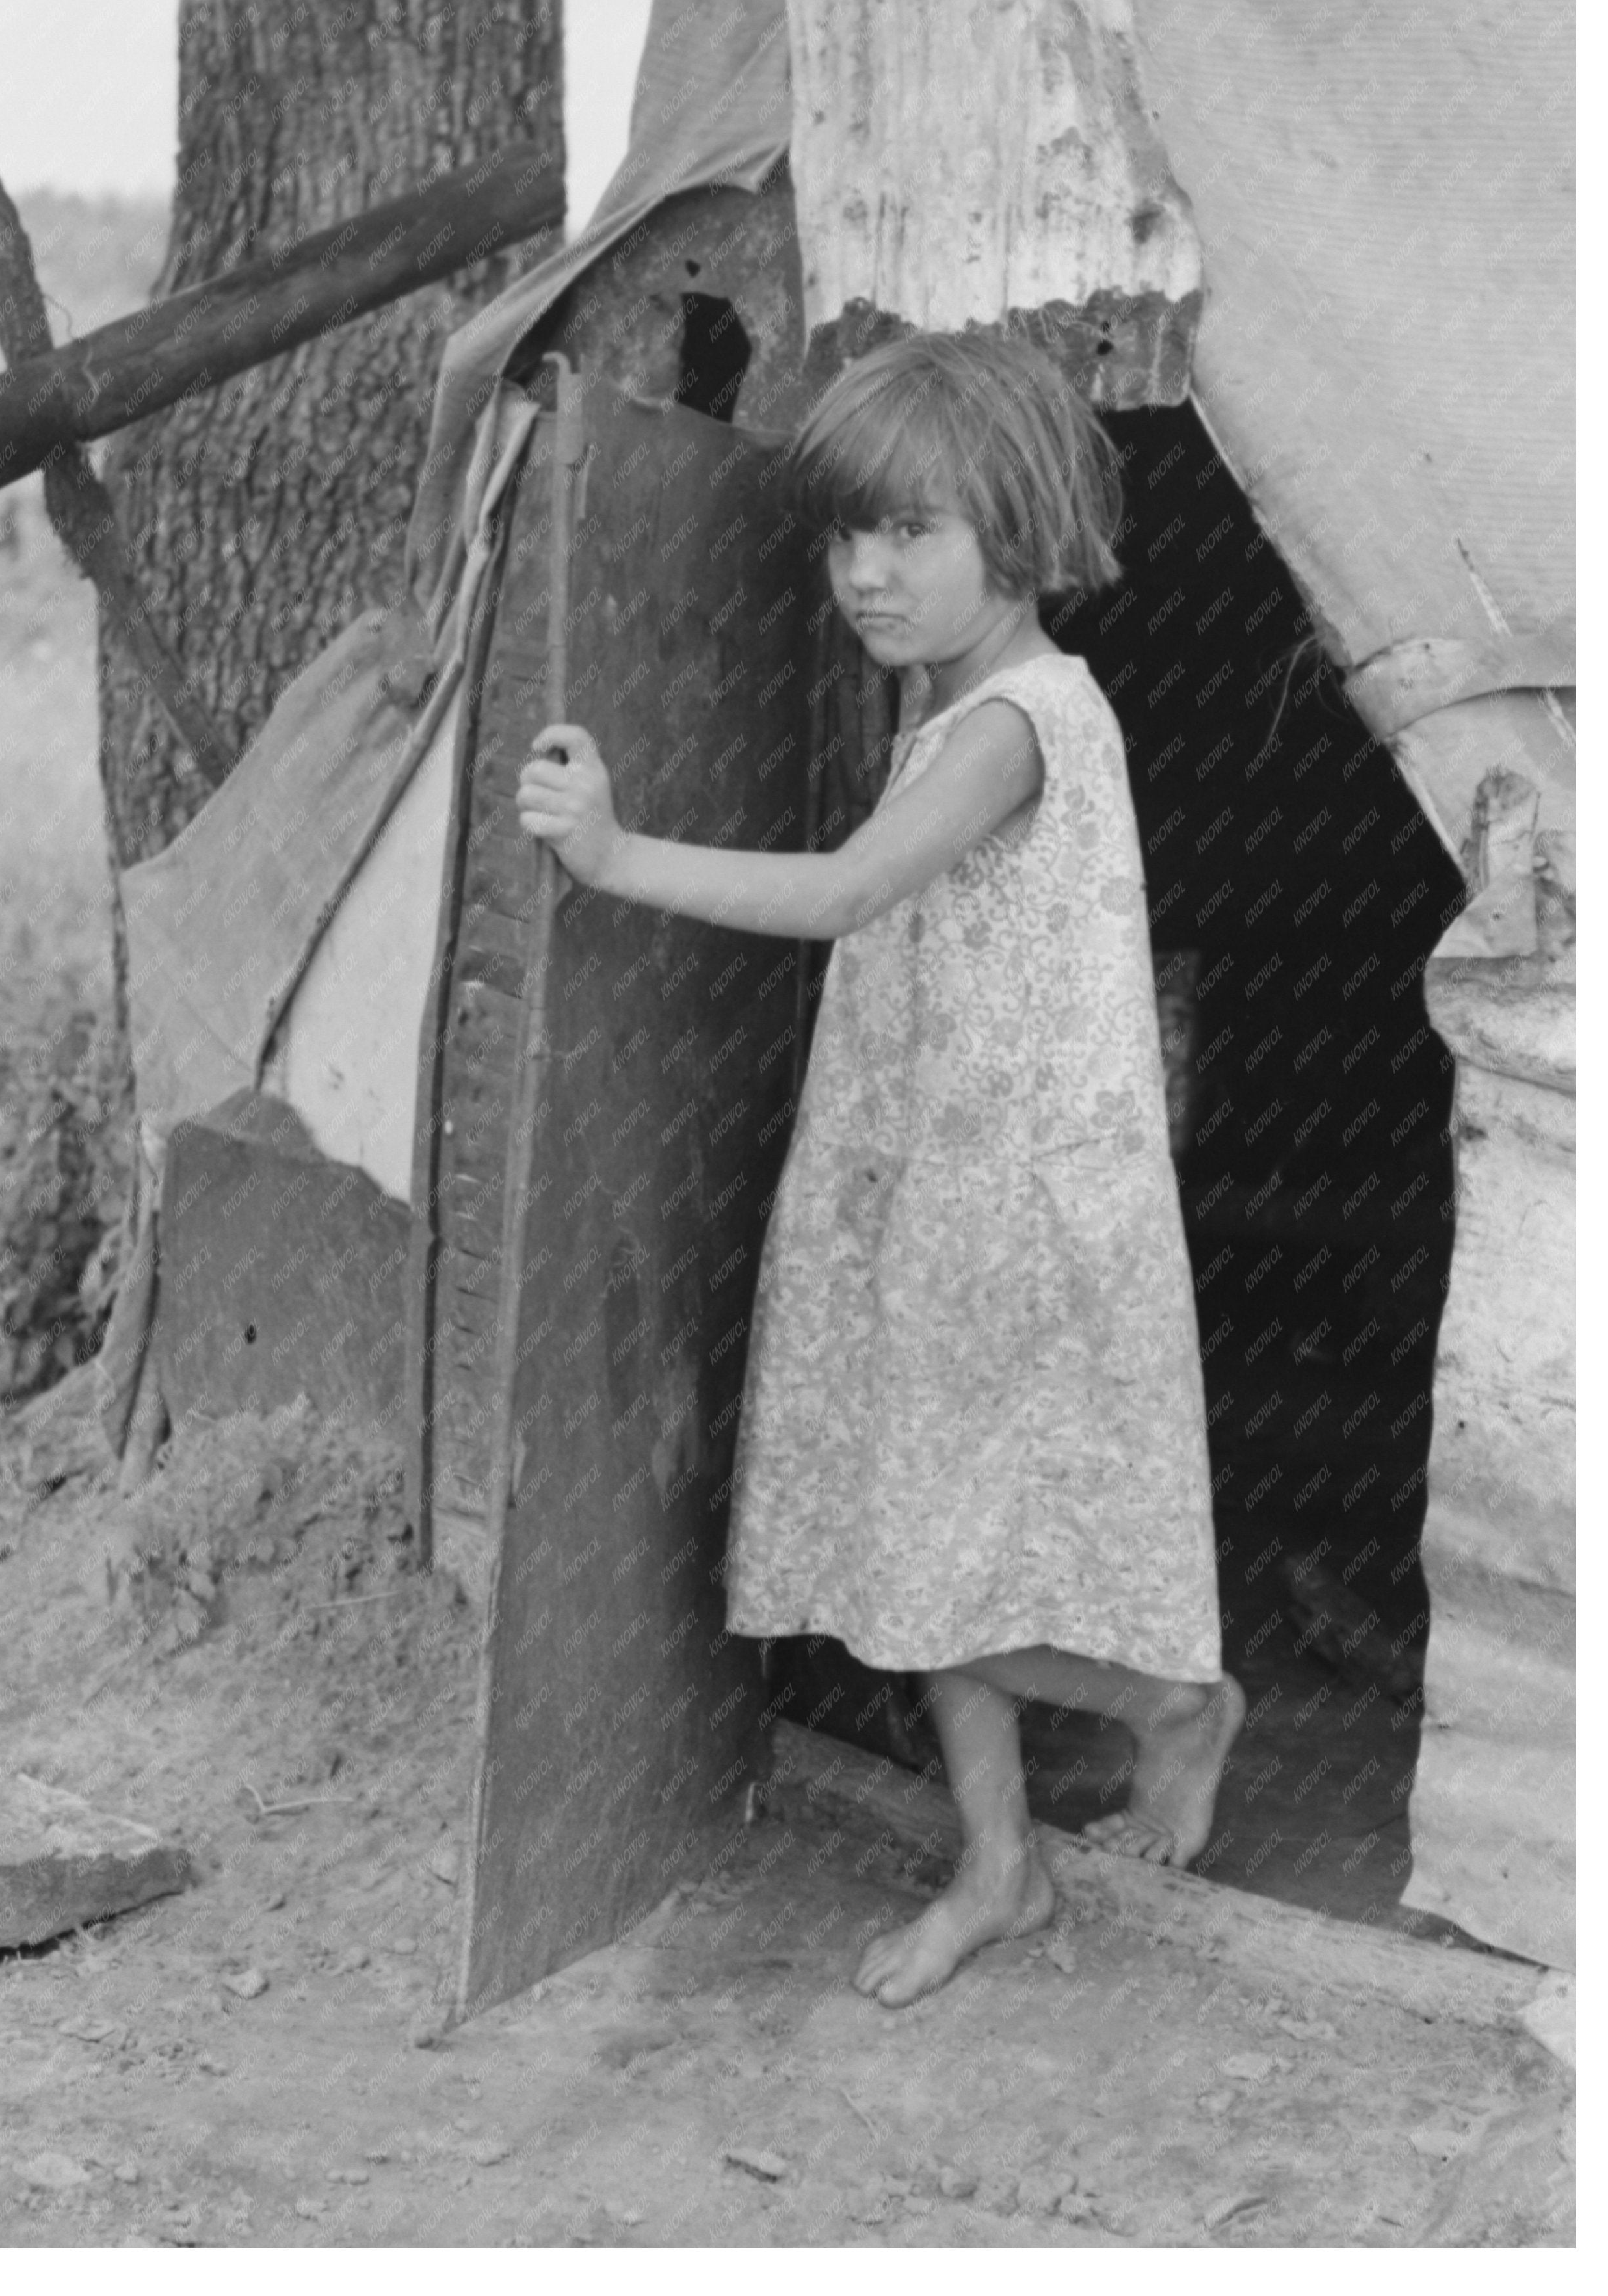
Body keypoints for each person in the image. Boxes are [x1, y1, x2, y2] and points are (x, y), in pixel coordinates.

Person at [516, 329, 1242, 2008]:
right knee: (921, 1536)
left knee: (926, 1567)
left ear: (1026, 521)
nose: (866, 571)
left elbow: (849, 895)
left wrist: (616, 855)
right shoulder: (954, 713)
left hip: (1010, 1209)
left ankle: (1167, 1704)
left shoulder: (1018, 720)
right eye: (849, 536)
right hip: (928, 1185)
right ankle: (1003, 1863)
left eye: (911, 532)